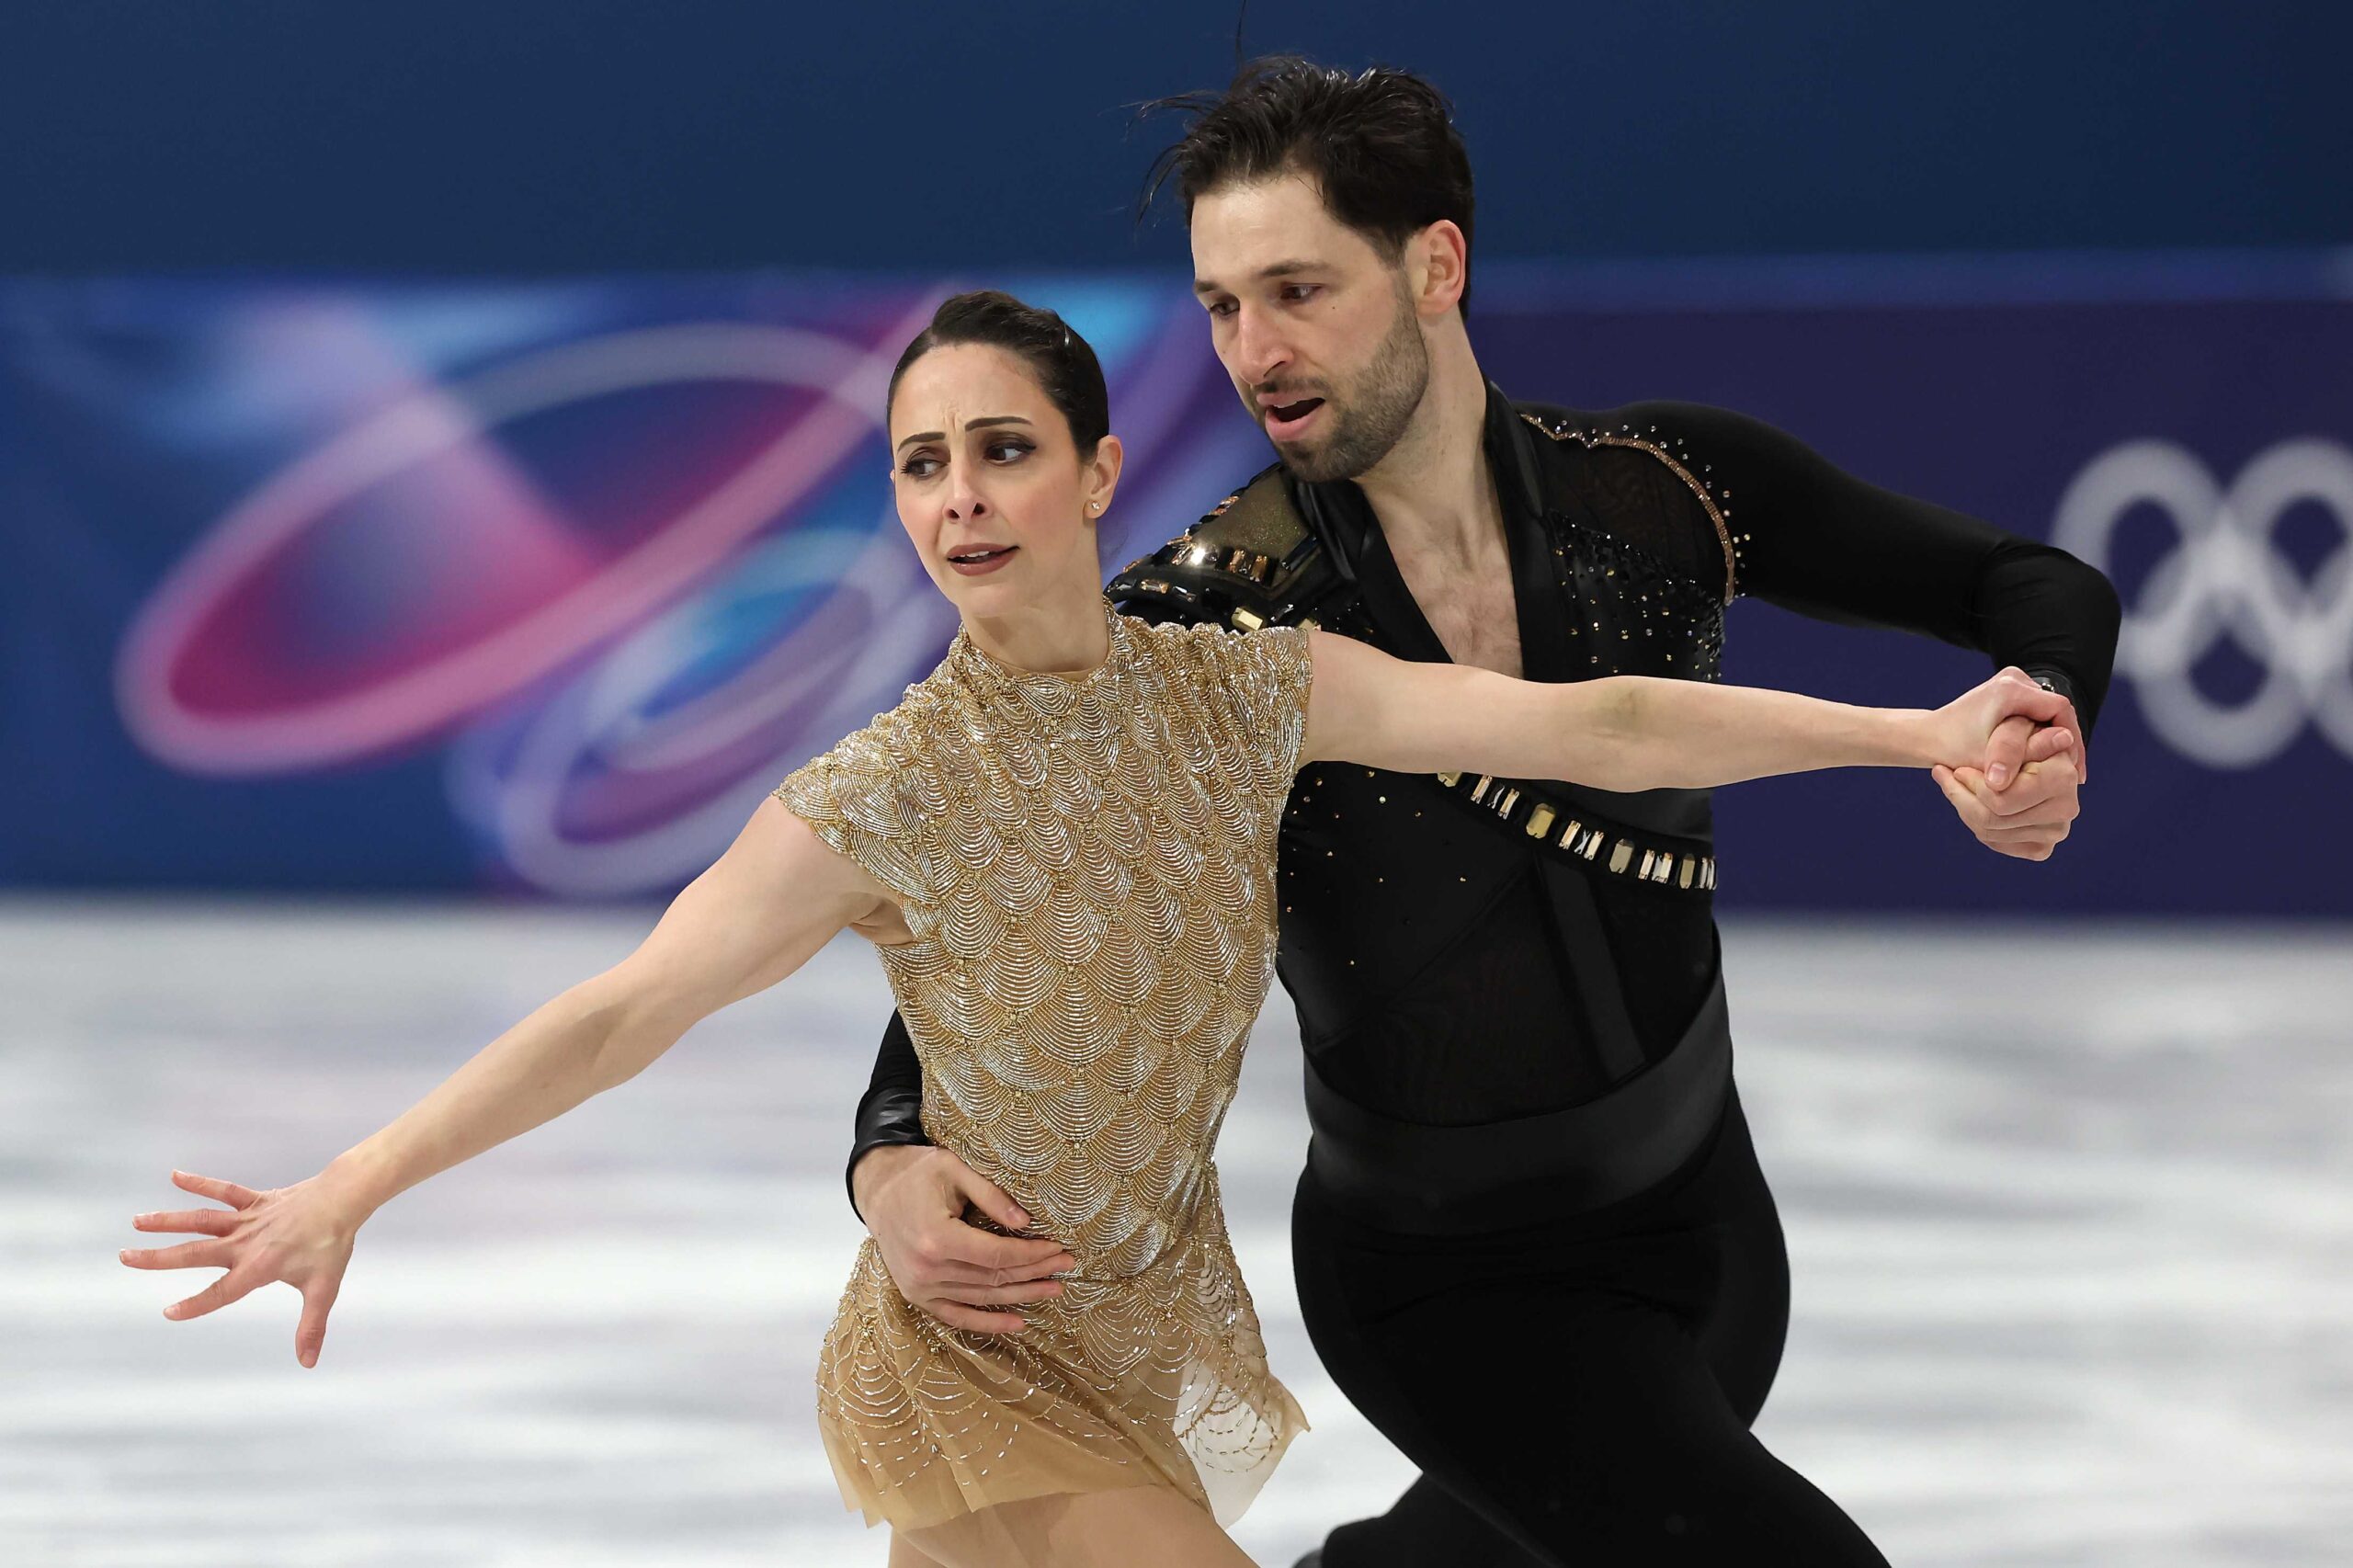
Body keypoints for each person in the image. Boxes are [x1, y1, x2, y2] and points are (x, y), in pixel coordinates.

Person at [120, 290, 2067, 1568]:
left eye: (999, 450)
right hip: (974, 1354)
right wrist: (355, 1180)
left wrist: (1910, 733)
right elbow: (628, 1008)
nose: (959, 498)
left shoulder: (1238, 692)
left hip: (1131, 1336)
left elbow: (1595, 726)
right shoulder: (879, 795)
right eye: (917, 462)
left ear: (1095, 473)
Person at [844, 60, 2124, 1568]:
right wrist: (890, 1153)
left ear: (1433, 265)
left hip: (1708, 1233)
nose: (1254, 350)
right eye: (1219, 305)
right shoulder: (1205, 637)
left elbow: (2031, 586)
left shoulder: (1664, 487)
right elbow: (986, 956)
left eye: (1298, 289)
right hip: (1438, 1280)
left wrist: (2038, 711)